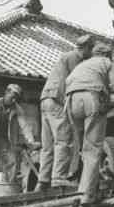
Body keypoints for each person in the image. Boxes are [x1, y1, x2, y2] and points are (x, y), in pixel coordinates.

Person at [64, 42, 114, 207]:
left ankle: (83, 187)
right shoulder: (107, 63)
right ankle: (87, 196)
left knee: (84, 148)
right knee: (93, 148)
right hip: (91, 99)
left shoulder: (83, 65)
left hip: (71, 102)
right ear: (108, 55)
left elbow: (77, 85)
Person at [36, 34, 95, 191]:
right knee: (63, 140)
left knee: (47, 145)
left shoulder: (67, 57)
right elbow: (78, 82)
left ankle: (42, 181)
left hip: (45, 100)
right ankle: (59, 178)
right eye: (91, 49)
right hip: (57, 101)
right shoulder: (75, 59)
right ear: (87, 48)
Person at [0, 84, 41, 190]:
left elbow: (24, 125)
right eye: (13, 96)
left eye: (16, 97)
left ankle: (9, 187)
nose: (14, 99)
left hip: (5, 140)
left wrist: (31, 141)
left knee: (12, 161)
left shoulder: (17, 109)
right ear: (6, 93)